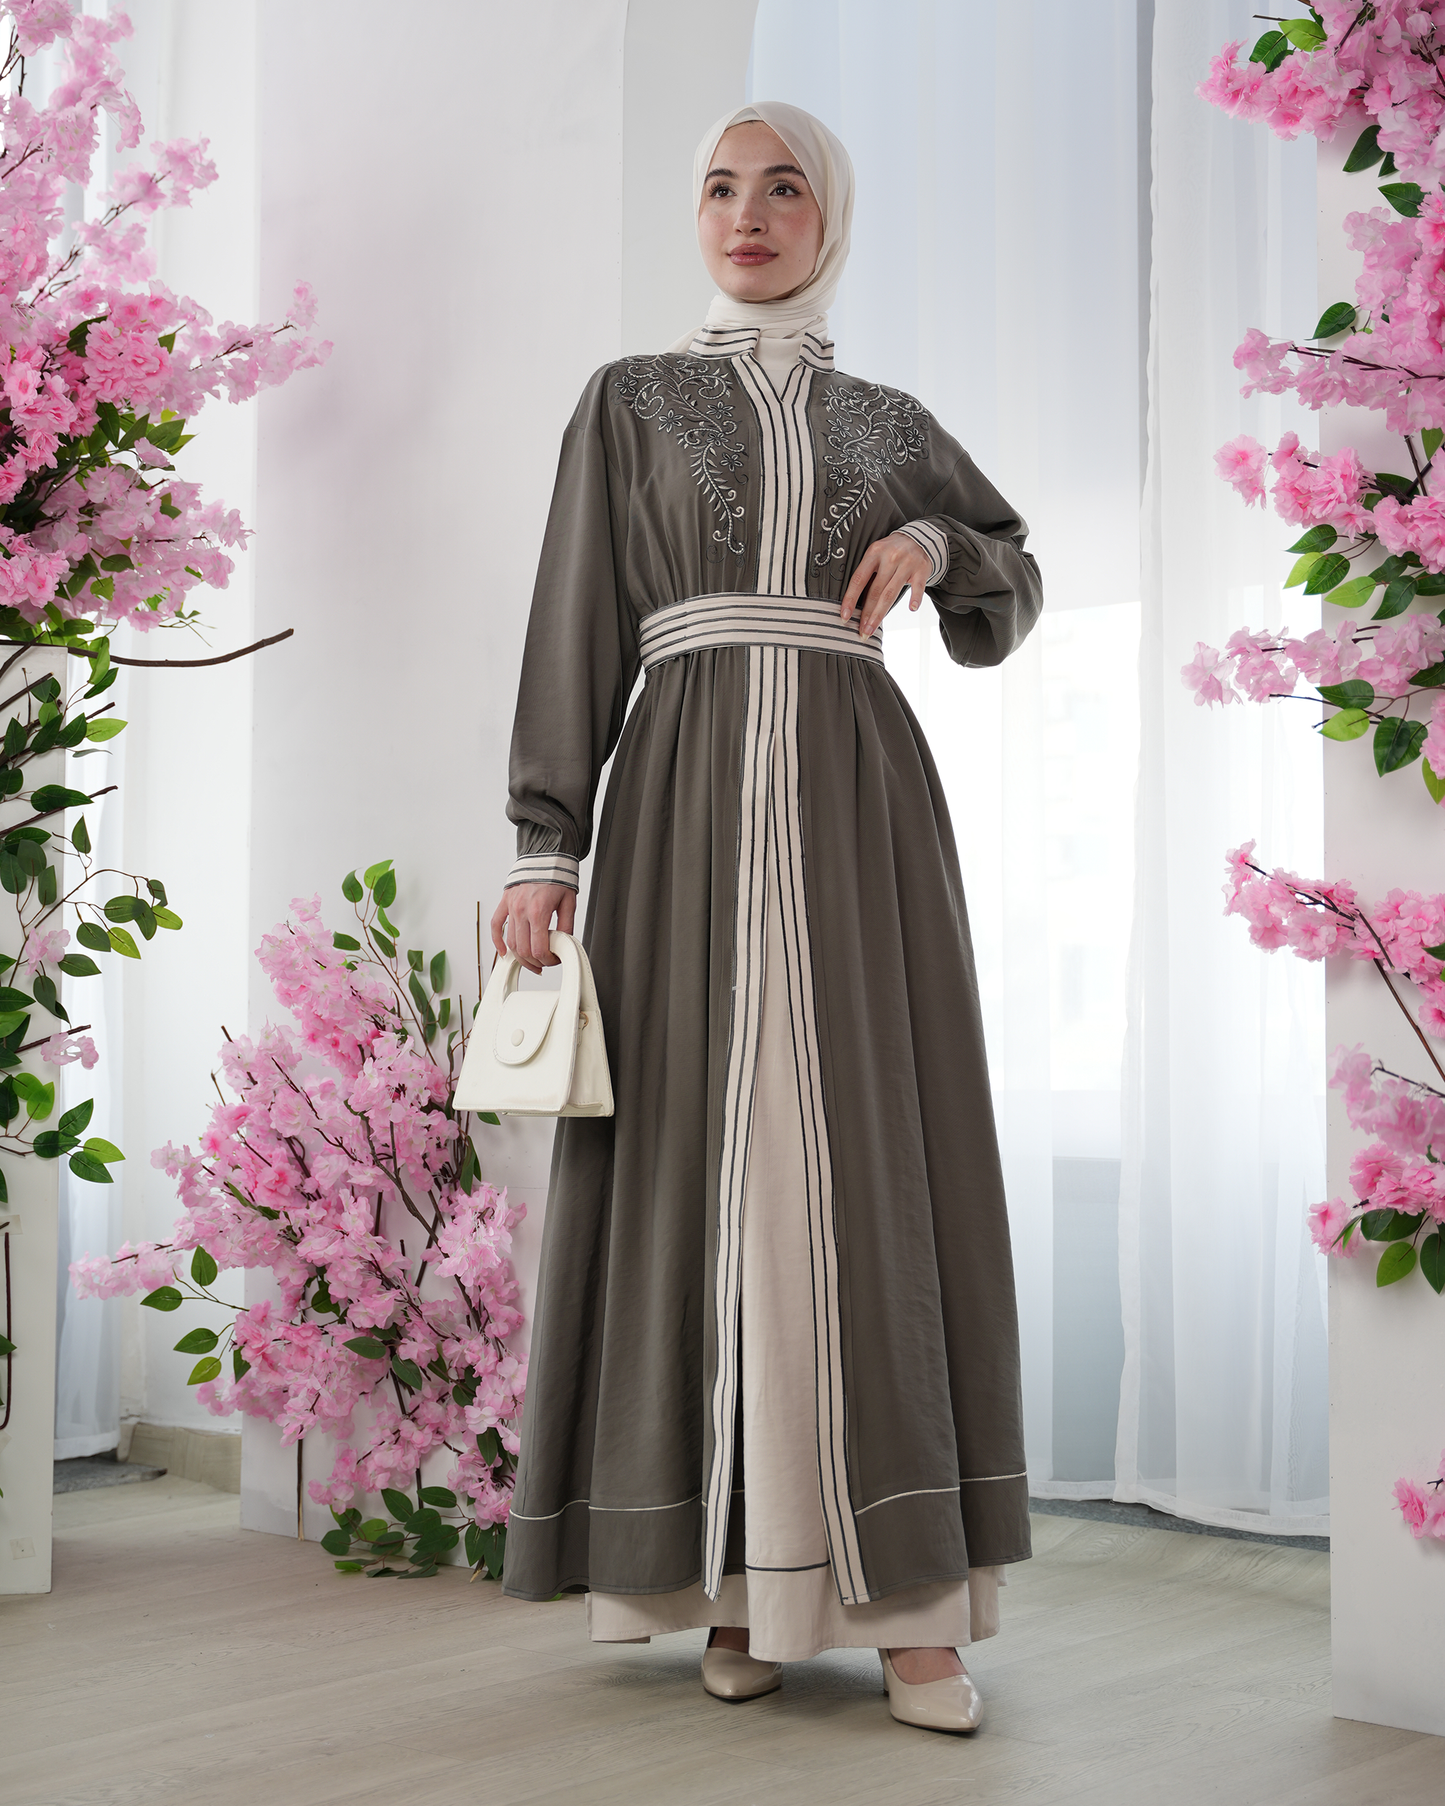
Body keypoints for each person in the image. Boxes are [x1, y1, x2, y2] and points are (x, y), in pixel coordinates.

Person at [493, 101, 1041, 1736]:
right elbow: (575, 615)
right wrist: (544, 846)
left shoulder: (893, 421)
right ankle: (738, 1588)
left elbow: (1009, 570)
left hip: (860, 815)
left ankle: (914, 1620)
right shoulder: (629, 402)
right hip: (680, 806)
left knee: (866, 1171)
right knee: (700, 1174)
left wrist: (935, 539)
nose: (750, 212)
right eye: (723, 188)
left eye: (784, 187)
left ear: (830, 216)